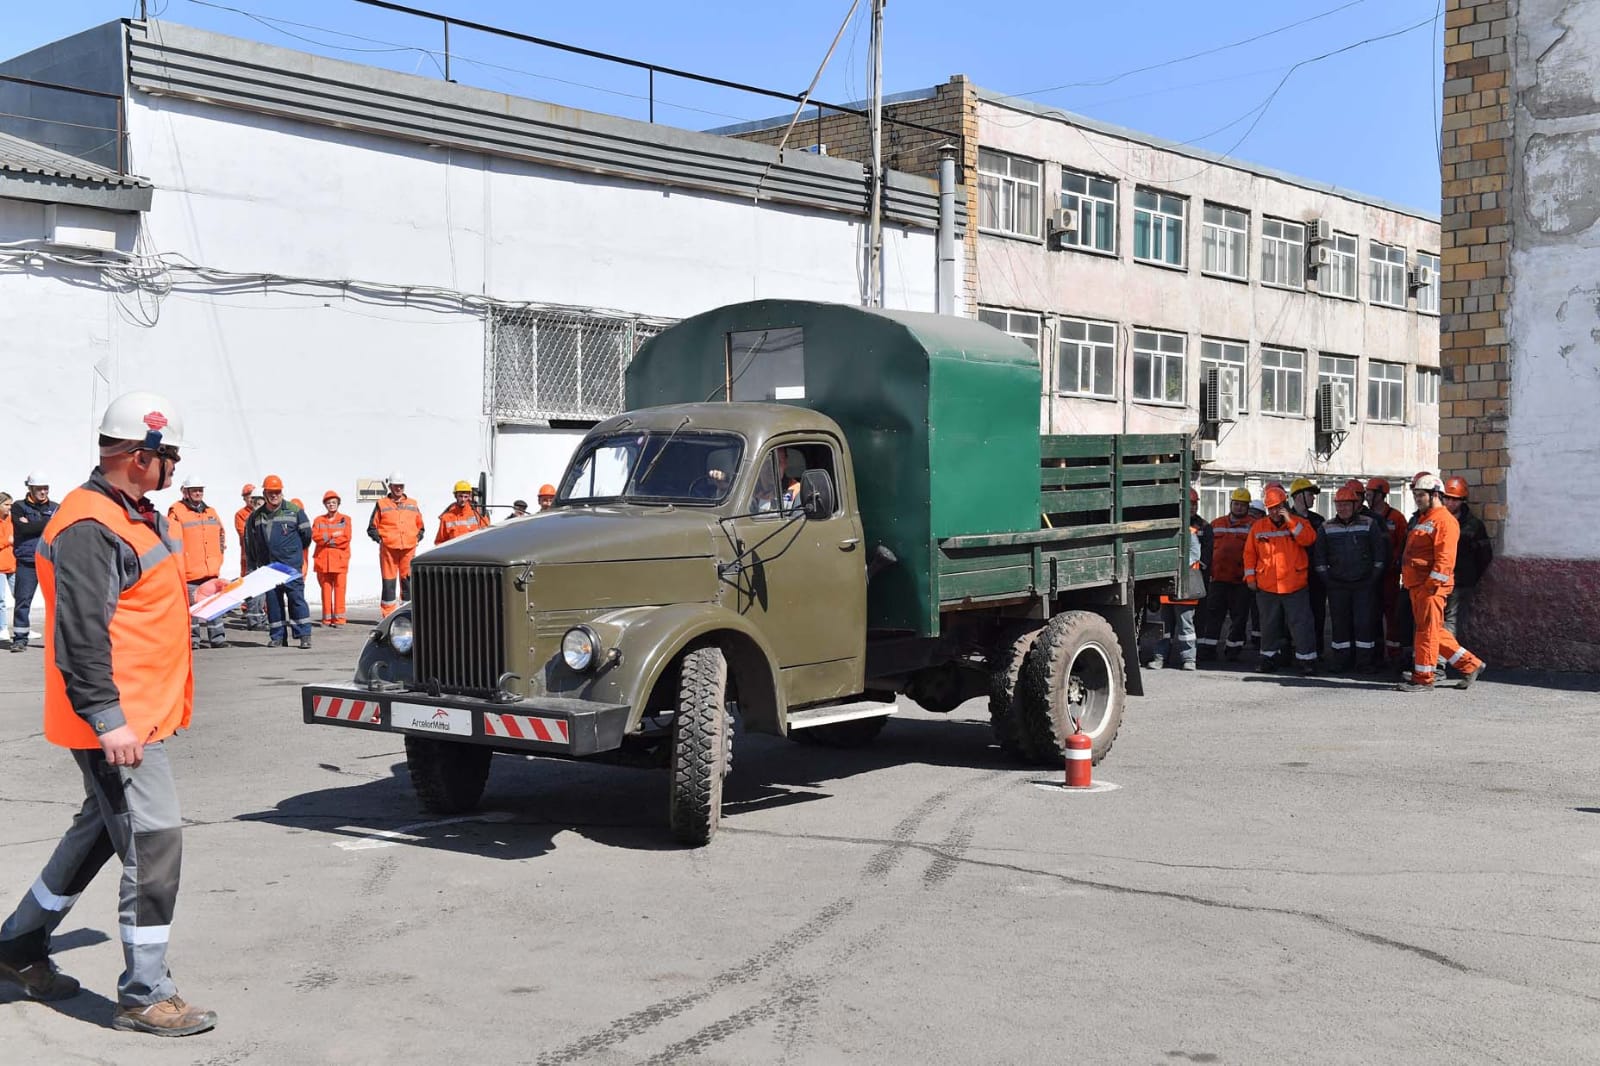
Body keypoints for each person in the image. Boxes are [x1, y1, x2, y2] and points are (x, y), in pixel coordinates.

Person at [0, 390, 218, 1036]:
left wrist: (199, 594)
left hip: (138, 715)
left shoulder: (128, 515)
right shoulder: (93, 524)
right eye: (169, 455)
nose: (175, 467)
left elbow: (134, 604)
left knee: (99, 832)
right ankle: (145, 992)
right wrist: (108, 718)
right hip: (119, 724)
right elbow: (81, 635)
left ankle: (17, 947)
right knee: (154, 841)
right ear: (140, 456)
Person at [1396, 473, 1487, 693]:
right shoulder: (1425, 518)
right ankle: (1471, 664)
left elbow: (1445, 559)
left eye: (1421, 495)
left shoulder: (1444, 520)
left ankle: (1424, 678)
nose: (1417, 499)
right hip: (1417, 585)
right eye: (1416, 495)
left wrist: (1431, 586)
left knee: (1426, 633)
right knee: (1434, 630)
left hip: (1430, 588)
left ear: (1435, 494)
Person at [1313, 484, 1389, 673]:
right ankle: (1341, 661)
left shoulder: (1368, 524)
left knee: (1364, 624)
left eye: (1346, 505)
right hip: (1337, 585)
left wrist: (1372, 579)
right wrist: (1328, 581)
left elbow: (1380, 555)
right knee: (1340, 625)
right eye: (1339, 505)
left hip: (1364, 584)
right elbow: (1319, 558)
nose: (1342, 508)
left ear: (1355, 505)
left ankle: (1364, 662)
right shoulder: (1326, 527)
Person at [1244, 484, 1318, 676]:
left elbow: (1309, 539)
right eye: (1271, 508)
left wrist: (1290, 521)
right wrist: (1250, 578)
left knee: (1301, 625)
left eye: (1278, 507)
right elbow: (1250, 554)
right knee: (1268, 625)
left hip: (1295, 584)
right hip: (1267, 585)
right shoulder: (1258, 527)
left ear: (1285, 505)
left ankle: (1306, 661)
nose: (1275, 511)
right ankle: (1268, 659)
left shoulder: (1299, 522)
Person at [248, 475, 313, 649]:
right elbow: (252, 541)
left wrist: (293, 552)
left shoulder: (295, 511)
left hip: (291, 565)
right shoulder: (257, 516)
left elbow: (306, 536)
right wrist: (256, 563)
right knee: (273, 602)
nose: (274, 495)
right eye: (270, 492)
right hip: (269, 566)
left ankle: (304, 635)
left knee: (296, 599)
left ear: (281, 492)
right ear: (265, 493)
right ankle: (277, 636)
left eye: (277, 492)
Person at [1151, 487, 1211, 670]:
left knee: (1186, 623)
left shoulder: (1198, 529)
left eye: (1194, 504)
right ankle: (1160, 657)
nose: (1192, 508)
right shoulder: (1170, 527)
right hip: (1169, 583)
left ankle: (1189, 659)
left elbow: (1199, 556)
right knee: (1164, 624)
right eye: (1189, 504)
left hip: (1188, 583)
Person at [167, 477, 228, 650]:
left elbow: (221, 535)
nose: (198, 493)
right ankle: (193, 640)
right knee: (192, 609)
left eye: (200, 489)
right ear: (185, 492)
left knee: (215, 606)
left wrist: (218, 557)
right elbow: (171, 540)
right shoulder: (177, 512)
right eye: (194, 490)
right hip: (189, 570)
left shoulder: (211, 511)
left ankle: (217, 638)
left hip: (210, 569)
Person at [1198, 487, 1254, 663]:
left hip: (1241, 581)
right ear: (1231, 504)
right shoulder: (1216, 524)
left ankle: (1233, 650)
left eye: (1242, 505)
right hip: (1218, 579)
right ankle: (1208, 648)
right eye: (1236, 504)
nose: (1238, 508)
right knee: (1213, 616)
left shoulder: (1254, 525)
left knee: (1239, 617)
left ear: (1247, 507)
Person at [1440, 476, 1493, 647]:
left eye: (1455, 499)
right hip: (1439, 581)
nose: (1450, 503)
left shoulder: (1474, 525)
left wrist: (1470, 577)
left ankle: (1441, 662)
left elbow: (1485, 555)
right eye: (1447, 498)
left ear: (1462, 501)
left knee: (1452, 623)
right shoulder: (1437, 521)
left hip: (1461, 583)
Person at [10, 473, 59, 652]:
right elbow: (22, 529)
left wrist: (33, 524)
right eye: (39, 488)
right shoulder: (18, 507)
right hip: (27, 562)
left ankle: (58, 641)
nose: (43, 492)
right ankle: (20, 639)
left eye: (46, 488)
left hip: (50, 561)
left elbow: (58, 529)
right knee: (23, 601)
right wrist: (47, 523)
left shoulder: (55, 508)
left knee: (57, 602)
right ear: (30, 489)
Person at [1365, 477, 1409, 666]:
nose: (1366, 497)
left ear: (1381, 494)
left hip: (1390, 575)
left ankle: (1394, 652)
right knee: (1370, 614)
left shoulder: (1397, 518)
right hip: (1370, 575)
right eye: (1366, 493)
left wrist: (1395, 562)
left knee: (1392, 614)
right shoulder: (1364, 516)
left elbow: (1404, 543)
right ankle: (1375, 652)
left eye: (1369, 493)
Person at [368, 474, 424, 617]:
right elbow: (372, 528)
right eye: (396, 486)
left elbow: (421, 526)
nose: (398, 488)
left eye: (401, 486)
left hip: (408, 548)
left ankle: (408, 614)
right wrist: (382, 540)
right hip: (389, 550)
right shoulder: (382, 504)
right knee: (388, 583)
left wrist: (417, 537)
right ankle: (388, 616)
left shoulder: (413, 503)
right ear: (390, 486)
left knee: (408, 583)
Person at [1288, 477, 1327, 659]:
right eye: (1310, 494)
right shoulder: (1285, 518)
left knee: (1317, 615)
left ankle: (1315, 652)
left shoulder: (1318, 520)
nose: (1313, 498)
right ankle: (1288, 652)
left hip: (1315, 577)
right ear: (1299, 496)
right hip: (1291, 578)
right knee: (1292, 618)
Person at [311, 491, 351, 627]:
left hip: (339, 561)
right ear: (325, 505)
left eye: (333, 502)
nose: (331, 505)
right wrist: (333, 535)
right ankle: (327, 619)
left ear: (338, 504)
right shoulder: (318, 520)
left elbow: (345, 538)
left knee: (340, 590)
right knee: (325, 590)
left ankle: (339, 619)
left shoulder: (346, 519)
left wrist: (326, 539)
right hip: (323, 561)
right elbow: (315, 537)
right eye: (328, 503)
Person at [233, 484, 267, 631]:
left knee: (262, 590)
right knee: (254, 590)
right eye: (257, 501)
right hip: (253, 559)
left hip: (261, 559)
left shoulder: (262, 516)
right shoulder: (249, 517)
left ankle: (259, 618)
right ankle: (254, 620)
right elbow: (248, 538)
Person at [435, 480, 489, 544]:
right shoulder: (446, 517)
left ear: (469, 496)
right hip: (455, 552)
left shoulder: (478, 513)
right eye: (460, 496)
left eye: (465, 496)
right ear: (455, 496)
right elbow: (439, 542)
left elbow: (487, 534)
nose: (463, 499)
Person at [0, 493, 13, 645]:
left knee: (22, 597)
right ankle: (2, 628)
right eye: (7, 504)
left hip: (13, 564)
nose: (10, 508)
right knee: (1, 600)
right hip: (0, 567)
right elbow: (9, 539)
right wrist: (7, 541)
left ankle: (22, 627)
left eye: (10, 505)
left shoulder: (12, 520)